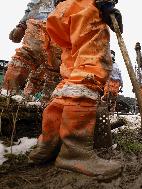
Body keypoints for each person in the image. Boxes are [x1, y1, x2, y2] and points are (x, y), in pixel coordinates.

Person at [28, 0, 124, 179]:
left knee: (72, 74)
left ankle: (49, 142)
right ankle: (74, 151)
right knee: (90, 69)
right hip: (85, 7)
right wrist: (105, 4)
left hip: (62, 10)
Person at [2, 0, 62, 102]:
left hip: (62, 27)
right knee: (27, 54)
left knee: (55, 66)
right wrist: (21, 25)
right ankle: (8, 92)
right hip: (40, 21)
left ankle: (44, 102)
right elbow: (33, 5)